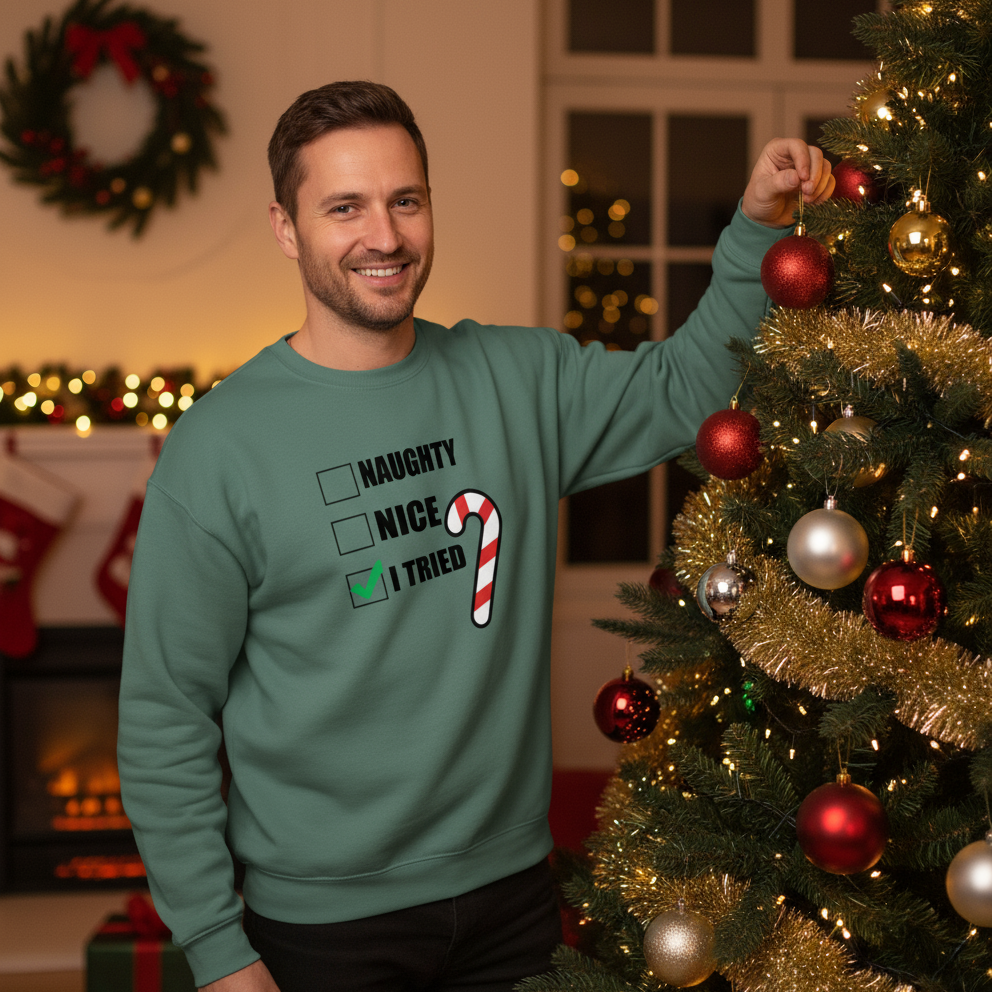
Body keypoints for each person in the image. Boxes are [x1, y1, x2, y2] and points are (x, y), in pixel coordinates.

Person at [117, 81, 834, 992]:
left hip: (511, 904)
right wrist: (219, 950)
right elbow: (164, 716)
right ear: (286, 228)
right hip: (322, 928)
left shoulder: (516, 381)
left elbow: (684, 389)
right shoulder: (219, 449)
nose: (384, 236)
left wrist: (757, 228)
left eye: (405, 200)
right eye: (345, 208)